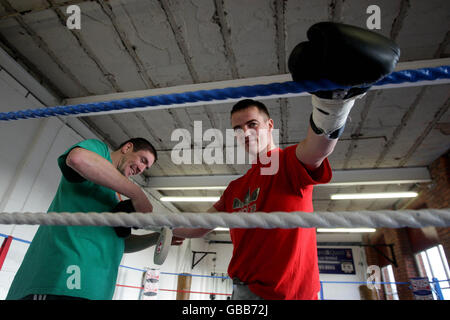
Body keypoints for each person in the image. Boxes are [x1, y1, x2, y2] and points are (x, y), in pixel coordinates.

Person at [173, 22, 400, 300]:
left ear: (270, 125)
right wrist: (164, 228)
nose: (245, 132)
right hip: (242, 292)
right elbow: (199, 225)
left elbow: (317, 149)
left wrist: (333, 102)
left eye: (252, 124)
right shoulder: (234, 188)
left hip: (291, 295)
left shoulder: (287, 163)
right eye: (238, 128)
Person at [6, 137, 180, 300]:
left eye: (146, 167)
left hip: (97, 289)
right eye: (143, 160)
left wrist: (156, 238)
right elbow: (77, 158)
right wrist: (137, 194)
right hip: (62, 280)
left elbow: (118, 243)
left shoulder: (116, 196)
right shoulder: (99, 151)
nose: (141, 169)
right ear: (127, 148)